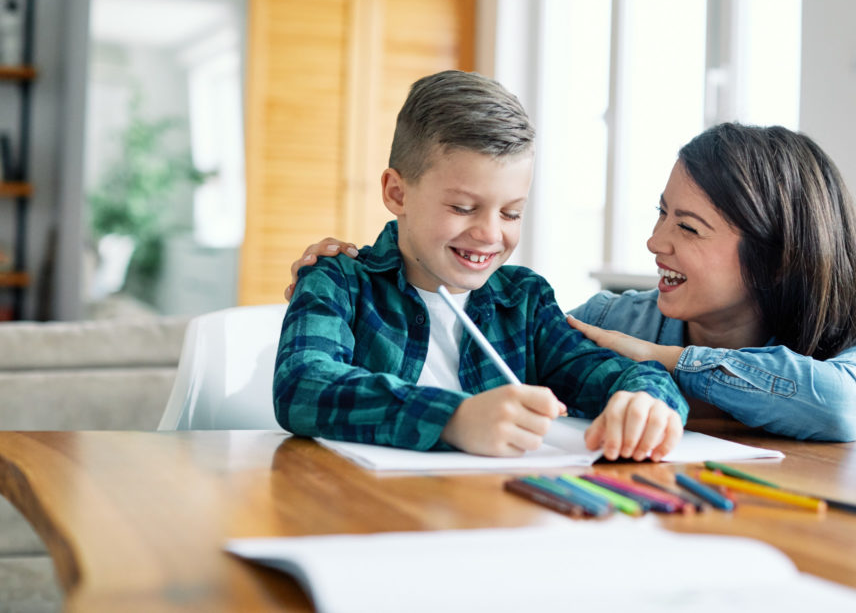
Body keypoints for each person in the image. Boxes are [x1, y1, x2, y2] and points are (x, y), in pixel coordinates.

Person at [289, 122, 856, 442]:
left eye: (688, 227)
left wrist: (664, 364)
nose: (653, 242)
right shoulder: (614, 322)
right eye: (659, 213)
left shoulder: (843, 346)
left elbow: (839, 405)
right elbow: (551, 351)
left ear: (777, 259)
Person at [275, 70, 687, 461]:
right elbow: (301, 385)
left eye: (510, 214)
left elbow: (622, 375)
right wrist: (454, 418)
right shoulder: (337, 280)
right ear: (397, 193)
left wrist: (647, 404)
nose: (490, 234)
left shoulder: (524, 302)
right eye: (463, 208)